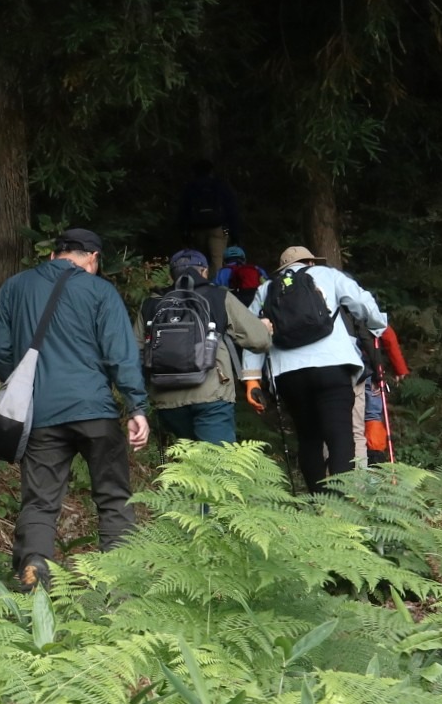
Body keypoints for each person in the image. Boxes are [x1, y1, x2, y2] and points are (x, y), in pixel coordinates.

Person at [0, 229, 150, 590]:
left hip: (41, 414)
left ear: (54, 255)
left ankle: (33, 565)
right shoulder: (100, 291)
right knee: (113, 495)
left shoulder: (14, 287)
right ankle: (117, 580)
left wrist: (24, 389)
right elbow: (119, 354)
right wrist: (137, 405)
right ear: (93, 259)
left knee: (41, 500)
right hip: (95, 409)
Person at [242, 246, 389, 493]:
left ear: (283, 268)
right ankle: (341, 504)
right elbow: (361, 301)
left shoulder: (267, 288)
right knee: (340, 436)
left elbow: (252, 333)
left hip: (288, 373)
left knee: (309, 438)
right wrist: (377, 325)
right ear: (310, 262)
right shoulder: (327, 274)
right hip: (333, 367)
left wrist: (252, 379)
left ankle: (318, 502)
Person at [141, 249, 272, 445]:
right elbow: (259, 340)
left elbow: (135, 351)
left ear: (172, 275)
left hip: (166, 398)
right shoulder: (218, 296)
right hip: (212, 394)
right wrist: (265, 328)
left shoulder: (152, 303)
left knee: (187, 467)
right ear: (204, 272)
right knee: (217, 467)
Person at [174, 160, 242, 275]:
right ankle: (216, 287)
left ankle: (200, 285)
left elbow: (183, 211)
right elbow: (231, 210)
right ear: (211, 171)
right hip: (219, 228)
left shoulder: (190, 187)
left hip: (197, 229)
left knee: (200, 260)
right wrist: (235, 235)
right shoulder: (220, 186)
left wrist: (184, 233)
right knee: (217, 260)